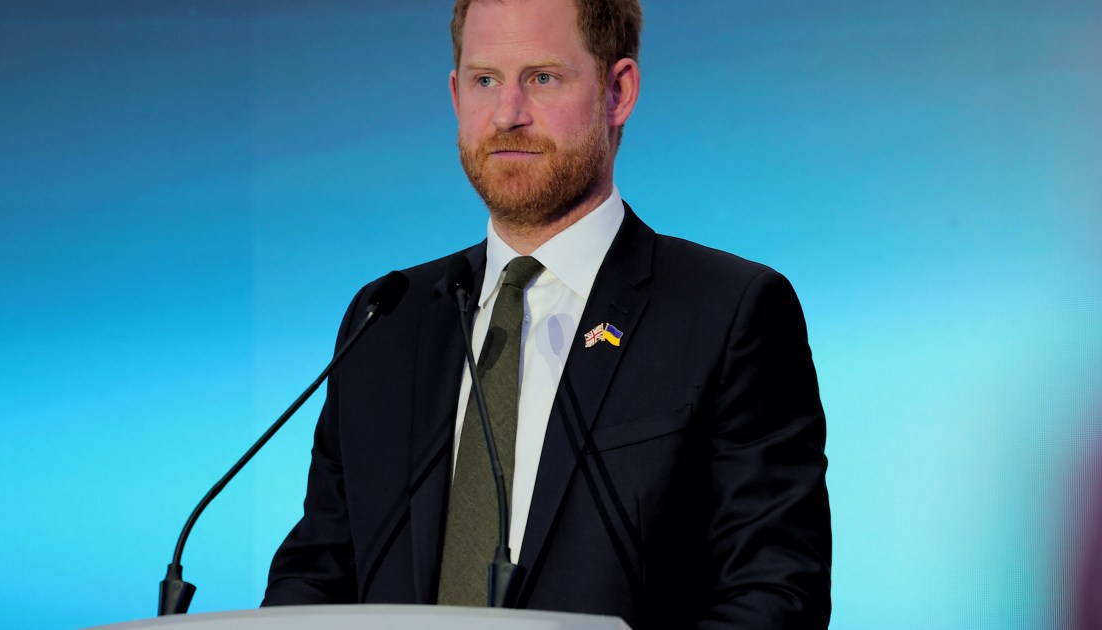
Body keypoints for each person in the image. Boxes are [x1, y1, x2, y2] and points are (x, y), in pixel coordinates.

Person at [263, 0, 832, 627]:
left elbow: (775, 593)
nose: (508, 114)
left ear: (618, 92)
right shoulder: (385, 319)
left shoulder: (728, 311)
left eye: (542, 77)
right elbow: (318, 571)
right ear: (455, 95)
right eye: (485, 80)